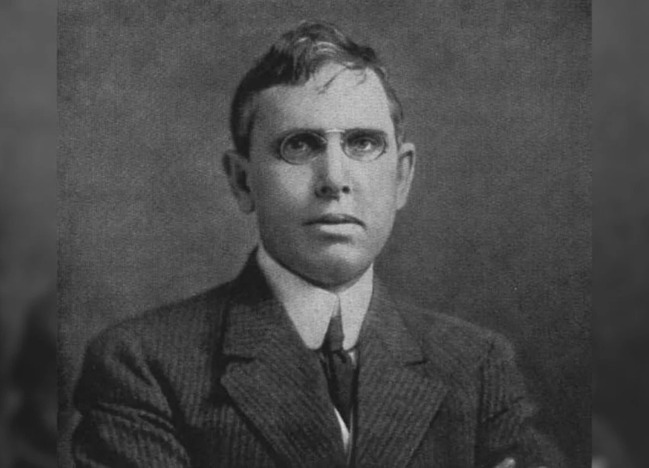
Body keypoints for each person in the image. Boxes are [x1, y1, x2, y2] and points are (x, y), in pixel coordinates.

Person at [72, 21, 565, 468]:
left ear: (401, 177)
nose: (334, 179)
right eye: (300, 145)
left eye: (363, 143)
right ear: (242, 181)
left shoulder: (476, 365)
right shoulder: (144, 365)